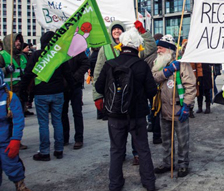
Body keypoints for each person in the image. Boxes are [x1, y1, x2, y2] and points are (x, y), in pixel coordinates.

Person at [95, 27, 157, 191]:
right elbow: (152, 91)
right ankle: (149, 183)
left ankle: (115, 184)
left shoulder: (110, 64)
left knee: (116, 150)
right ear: (137, 46)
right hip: (137, 115)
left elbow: (99, 86)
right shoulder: (142, 65)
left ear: (121, 44)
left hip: (115, 115)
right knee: (143, 149)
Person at [146, 35, 196, 178]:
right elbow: (153, 77)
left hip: (179, 108)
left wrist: (187, 105)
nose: (158, 50)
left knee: (182, 140)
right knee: (166, 140)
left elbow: (191, 86)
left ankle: (182, 164)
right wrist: (166, 72)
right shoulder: (158, 63)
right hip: (163, 109)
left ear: (169, 50)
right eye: (158, 48)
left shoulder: (182, 64)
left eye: (161, 48)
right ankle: (167, 162)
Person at [20, 31, 75, 161]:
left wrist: (23, 91)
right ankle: (59, 149)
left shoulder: (36, 55)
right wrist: (71, 90)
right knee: (57, 121)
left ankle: (44, 152)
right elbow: (68, 75)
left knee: (43, 124)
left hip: (41, 94)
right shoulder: (59, 56)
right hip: (57, 93)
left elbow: (28, 74)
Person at [0, 70, 31, 191]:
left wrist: (16, 139)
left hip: (5, 140)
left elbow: (18, 120)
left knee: (11, 165)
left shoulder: (9, 97)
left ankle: (20, 185)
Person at [62, 52, 89, 149]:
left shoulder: (77, 49)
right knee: (62, 113)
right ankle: (64, 137)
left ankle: (79, 138)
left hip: (75, 85)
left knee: (77, 112)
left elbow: (85, 64)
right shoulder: (59, 48)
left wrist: (75, 77)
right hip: (63, 86)